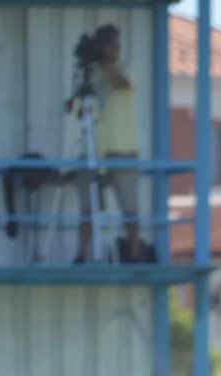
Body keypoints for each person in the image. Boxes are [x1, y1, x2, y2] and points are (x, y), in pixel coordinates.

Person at [68, 24, 144, 264]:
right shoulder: (90, 76)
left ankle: (134, 252)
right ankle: (83, 253)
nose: (111, 49)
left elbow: (121, 83)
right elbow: (75, 109)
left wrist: (105, 62)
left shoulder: (127, 69)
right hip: (94, 151)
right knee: (88, 207)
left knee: (129, 205)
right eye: (105, 44)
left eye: (113, 45)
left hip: (123, 149)